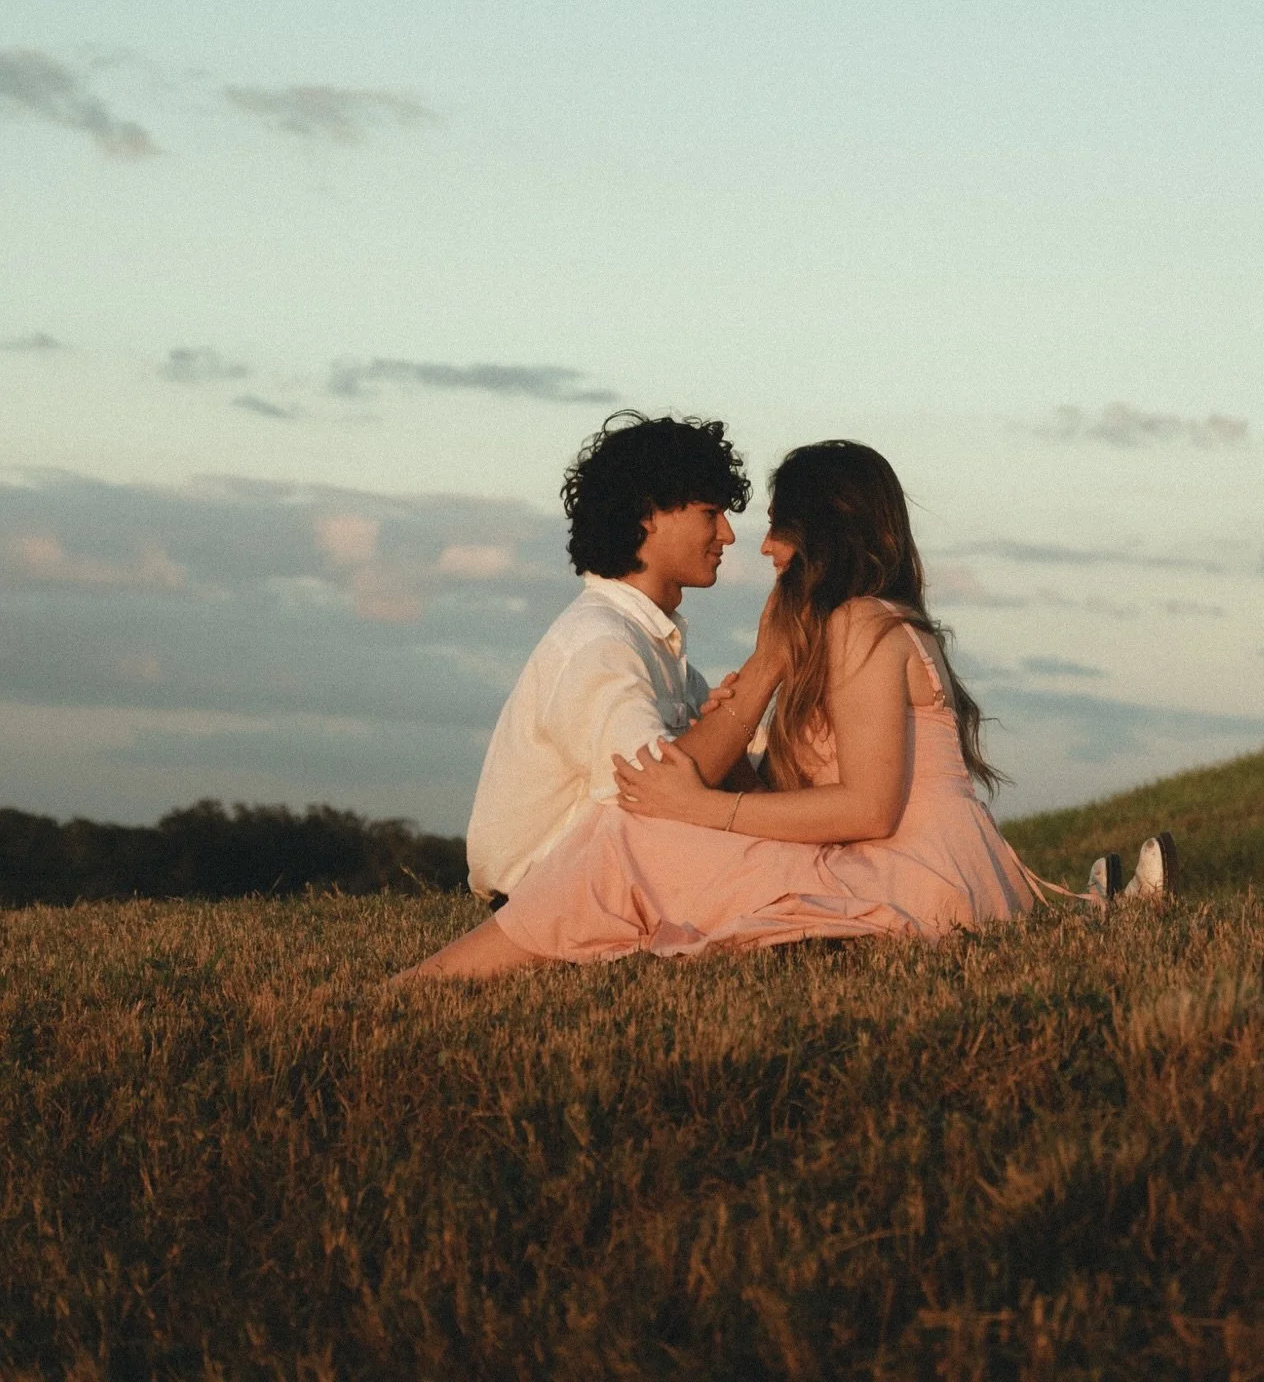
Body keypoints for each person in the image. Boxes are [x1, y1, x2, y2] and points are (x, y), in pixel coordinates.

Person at [400, 440, 1101, 985]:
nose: (755, 545)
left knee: (624, 832)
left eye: (775, 527)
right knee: (631, 831)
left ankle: (424, 983)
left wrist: (708, 801)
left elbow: (862, 810)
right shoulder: (861, 624)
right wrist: (751, 709)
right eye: (719, 515)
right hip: (924, 870)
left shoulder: (860, 624)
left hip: (913, 878)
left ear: (822, 532)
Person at [460, 410, 768, 904]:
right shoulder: (600, 644)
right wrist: (770, 663)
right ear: (649, 515)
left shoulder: (651, 645)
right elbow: (660, 795)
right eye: (710, 514)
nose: (728, 536)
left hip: (604, 883)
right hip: (547, 901)